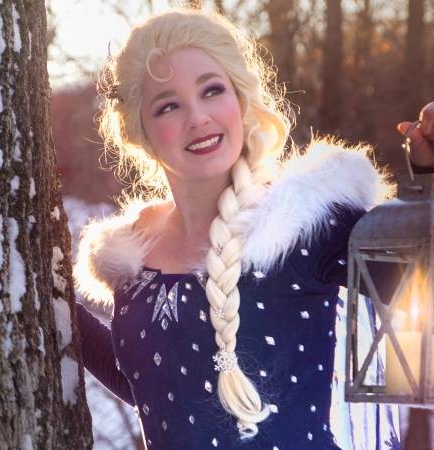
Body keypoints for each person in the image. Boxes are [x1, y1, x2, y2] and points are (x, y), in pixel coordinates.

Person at [72, 9, 434, 449]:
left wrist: (426, 180)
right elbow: (154, 387)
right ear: (139, 130)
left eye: (212, 90)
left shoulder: (303, 222)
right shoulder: (134, 249)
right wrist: (53, 310)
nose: (198, 117)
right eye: (168, 105)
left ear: (241, 100)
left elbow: (422, 293)